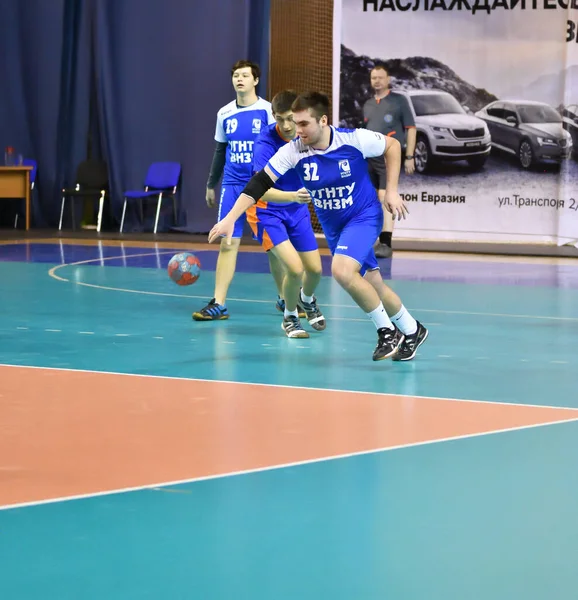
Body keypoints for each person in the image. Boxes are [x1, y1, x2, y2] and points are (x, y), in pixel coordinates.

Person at [209, 92, 428, 361]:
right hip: (334, 227)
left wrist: (392, 191)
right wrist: (230, 218)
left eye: (303, 124)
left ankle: (386, 332)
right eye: (293, 123)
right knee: (374, 286)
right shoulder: (293, 151)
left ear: (323, 120)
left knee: (341, 271)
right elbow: (259, 183)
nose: (296, 130)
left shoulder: (353, 139)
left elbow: (392, 146)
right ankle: (412, 329)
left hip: (363, 216)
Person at [193, 59, 279, 321]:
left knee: (274, 246)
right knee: (227, 243)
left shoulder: (267, 111)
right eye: (236, 76)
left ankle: (286, 299)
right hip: (232, 186)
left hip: (262, 186)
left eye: (245, 75)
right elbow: (220, 151)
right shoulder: (224, 113)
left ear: (255, 80)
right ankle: (219, 303)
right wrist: (211, 184)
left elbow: (279, 148)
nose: (239, 79)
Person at [248, 89, 326, 338]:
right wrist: (293, 196)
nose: (286, 125)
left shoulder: (308, 136)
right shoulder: (265, 144)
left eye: (291, 118)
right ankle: (290, 317)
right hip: (267, 212)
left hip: (297, 210)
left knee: (314, 270)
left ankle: (307, 299)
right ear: (273, 117)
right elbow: (259, 191)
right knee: (294, 269)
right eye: (280, 119)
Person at [363, 65, 417, 258]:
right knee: (370, 198)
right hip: (369, 158)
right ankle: (371, 240)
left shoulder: (399, 101)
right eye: (373, 78)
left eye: (380, 77)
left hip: (388, 156)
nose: (376, 81)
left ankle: (386, 242)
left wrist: (409, 156)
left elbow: (411, 128)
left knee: (386, 195)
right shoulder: (368, 103)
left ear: (388, 79)